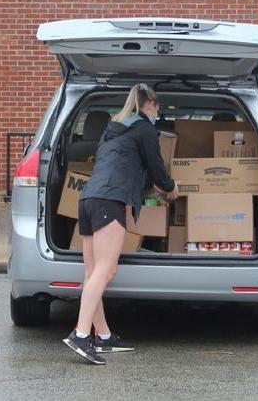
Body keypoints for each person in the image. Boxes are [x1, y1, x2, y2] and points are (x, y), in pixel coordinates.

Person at [63, 83, 178, 365]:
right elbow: (156, 166)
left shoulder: (112, 130)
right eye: (158, 106)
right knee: (105, 270)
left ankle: (102, 336)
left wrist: (153, 186)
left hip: (88, 199)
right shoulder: (145, 130)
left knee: (93, 273)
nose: (158, 111)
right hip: (109, 201)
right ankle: (80, 335)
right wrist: (169, 187)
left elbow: (129, 166)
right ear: (148, 104)